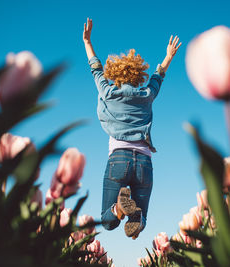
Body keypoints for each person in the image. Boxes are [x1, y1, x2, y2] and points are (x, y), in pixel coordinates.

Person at [83, 18, 181, 239]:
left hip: (119, 159)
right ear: (138, 75)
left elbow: (96, 69)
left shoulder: (108, 92)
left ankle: (119, 208)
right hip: (144, 163)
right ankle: (135, 220)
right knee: (140, 219)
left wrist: (88, 42)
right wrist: (168, 56)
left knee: (108, 221)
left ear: (115, 74)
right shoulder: (146, 95)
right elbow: (158, 78)